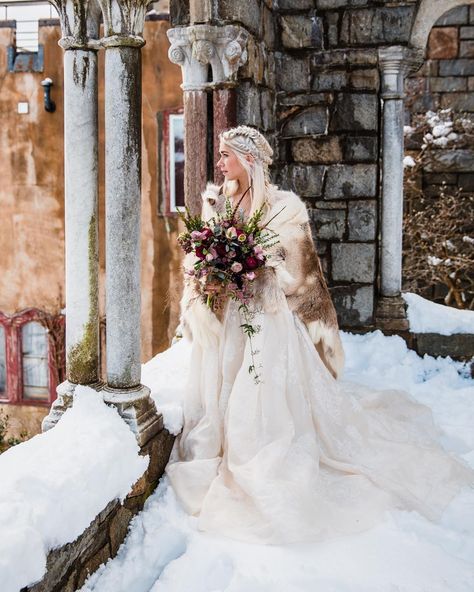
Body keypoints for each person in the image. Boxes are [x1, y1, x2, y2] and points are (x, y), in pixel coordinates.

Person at [165, 125, 474, 544]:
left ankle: (257, 451)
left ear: (248, 159)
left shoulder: (284, 208)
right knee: (224, 383)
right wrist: (211, 279)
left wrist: (257, 273)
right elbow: (198, 260)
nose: (219, 163)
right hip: (228, 317)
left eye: (225, 155)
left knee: (261, 390)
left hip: (267, 319)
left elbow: (302, 277)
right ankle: (220, 442)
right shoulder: (216, 202)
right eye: (219, 155)